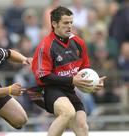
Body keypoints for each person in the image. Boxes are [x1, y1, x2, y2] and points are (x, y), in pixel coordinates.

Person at [32, 6, 106, 136]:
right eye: (66, 23)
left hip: (69, 89)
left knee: (82, 126)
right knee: (68, 112)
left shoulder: (78, 42)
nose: (70, 26)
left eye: (71, 22)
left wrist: (93, 81)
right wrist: (72, 80)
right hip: (48, 89)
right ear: (54, 24)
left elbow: (84, 68)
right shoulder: (46, 46)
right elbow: (43, 76)